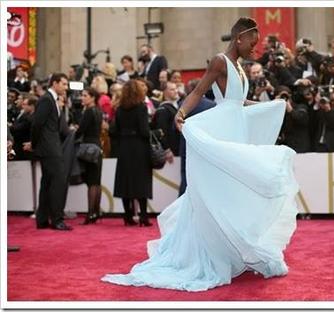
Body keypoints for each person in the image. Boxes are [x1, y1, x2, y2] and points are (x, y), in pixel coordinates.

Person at [102, 17, 299, 291]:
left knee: (233, 195)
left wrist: (274, 105)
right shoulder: (220, 61)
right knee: (216, 196)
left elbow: (239, 102)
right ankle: (211, 253)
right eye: (252, 43)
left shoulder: (241, 67)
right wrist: (181, 114)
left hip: (236, 134)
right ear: (239, 38)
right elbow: (198, 90)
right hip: (222, 134)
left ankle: (231, 252)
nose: (255, 49)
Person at [25, 73, 73, 231]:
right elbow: (36, 124)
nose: (66, 88)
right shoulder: (46, 100)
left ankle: (42, 220)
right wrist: (34, 143)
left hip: (49, 147)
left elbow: (56, 127)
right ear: (55, 83)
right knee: (56, 184)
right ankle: (57, 220)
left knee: (47, 183)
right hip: (49, 148)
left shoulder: (53, 100)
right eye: (64, 84)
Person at [112, 79, 153, 227]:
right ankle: (143, 216)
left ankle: (127, 216)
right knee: (141, 182)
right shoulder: (141, 108)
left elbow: (114, 130)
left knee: (125, 182)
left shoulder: (119, 109)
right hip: (139, 148)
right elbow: (144, 130)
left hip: (124, 147)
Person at [75, 87, 103, 225]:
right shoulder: (98, 111)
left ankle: (90, 213)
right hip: (98, 147)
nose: (82, 98)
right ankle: (96, 213)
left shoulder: (88, 112)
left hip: (89, 149)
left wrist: (73, 133)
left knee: (92, 182)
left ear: (92, 97)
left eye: (85, 95)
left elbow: (81, 130)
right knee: (96, 182)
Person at [10, 95, 36, 160]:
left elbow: (16, 129)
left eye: (25, 104)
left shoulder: (30, 118)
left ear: (32, 106)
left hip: (25, 150)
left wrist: (9, 127)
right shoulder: (28, 116)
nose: (22, 106)